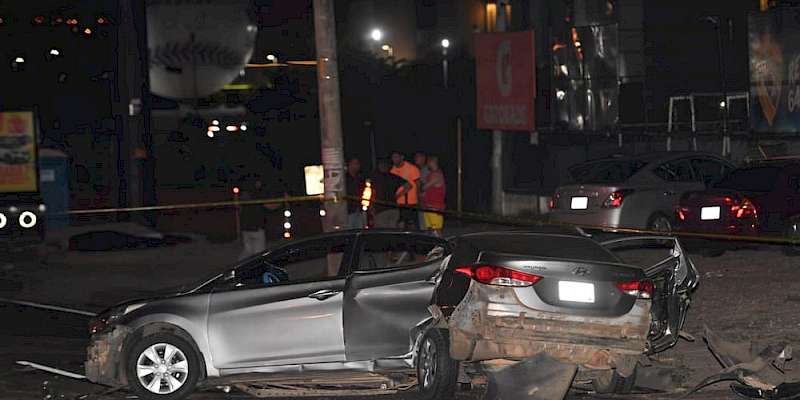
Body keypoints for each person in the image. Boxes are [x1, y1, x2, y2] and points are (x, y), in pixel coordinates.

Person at [370, 159, 407, 228]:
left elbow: (373, 193)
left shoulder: (376, 178)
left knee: (383, 232)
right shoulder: (394, 177)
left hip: (381, 209)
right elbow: (408, 186)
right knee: (393, 231)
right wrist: (398, 196)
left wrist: (371, 206)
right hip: (393, 208)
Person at [238, 177, 268, 260]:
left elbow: (240, 210)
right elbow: (269, 206)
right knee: (259, 253)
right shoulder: (258, 194)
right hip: (256, 227)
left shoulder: (244, 195)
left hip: (246, 227)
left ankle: (239, 267)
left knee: (248, 251)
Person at [390, 151, 421, 230]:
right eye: (393, 157)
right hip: (397, 203)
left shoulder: (412, 168)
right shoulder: (392, 169)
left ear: (402, 157)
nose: (394, 159)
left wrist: (419, 199)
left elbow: (418, 184)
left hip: (411, 202)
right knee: (399, 224)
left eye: (396, 157)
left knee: (412, 224)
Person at [422, 155, 446, 237]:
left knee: (436, 230)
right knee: (430, 229)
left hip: (435, 206)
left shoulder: (437, 174)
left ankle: (441, 248)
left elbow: (424, 186)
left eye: (428, 162)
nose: (427, 164)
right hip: (428, 205)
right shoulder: (431, 174)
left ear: (433, 162)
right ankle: (433, 247)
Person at [345, 158, 366, 229]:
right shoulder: (344, 179)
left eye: (357, 164)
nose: (356, 166)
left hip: (359, 209)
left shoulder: (360, 178)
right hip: (348, 210)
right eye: (354, 164)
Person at [413, 151, 430, 231]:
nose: (415, 159)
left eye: (418, 157)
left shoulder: (426, 170)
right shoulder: (418, 170)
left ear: (423, 158)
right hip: (420, 200)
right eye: (415, 157)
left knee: (425, 224)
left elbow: (425, 185)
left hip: (425, 200)